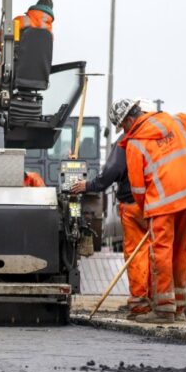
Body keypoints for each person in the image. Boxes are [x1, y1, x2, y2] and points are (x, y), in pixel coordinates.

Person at [115, 98, 186, 323]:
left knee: (160, 253)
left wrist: (145, 209)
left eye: (122, 126)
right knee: (180, 251)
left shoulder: (135, 143)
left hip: (162, 204)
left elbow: (138, 188)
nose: (123, 132)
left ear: (129, 120)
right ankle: (179, 308)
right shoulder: (177, 121)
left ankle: (163, 309)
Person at [71, 112, 150, 319]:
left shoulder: (126, 141)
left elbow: (111, 172)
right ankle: (160, 302)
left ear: (127, 121)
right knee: (157, 251)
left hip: (134, 204)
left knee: (136, 254)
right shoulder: (156, 138)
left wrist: (87, 185)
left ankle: (140, 304)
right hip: (158, 205)